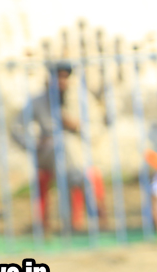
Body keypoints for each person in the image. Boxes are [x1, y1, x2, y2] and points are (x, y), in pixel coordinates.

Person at [14, 62, 104, 232]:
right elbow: (17, 128)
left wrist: (77, 126)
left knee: (67, 148)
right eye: (58, 77)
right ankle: (83, 191)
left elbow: (98, 129)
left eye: (65, 77)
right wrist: (34, 143)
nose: (61, 81)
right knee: (63, 145)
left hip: (79, 152)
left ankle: (70, 221)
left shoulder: (83, 99)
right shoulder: (38, 101)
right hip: (48, 153)